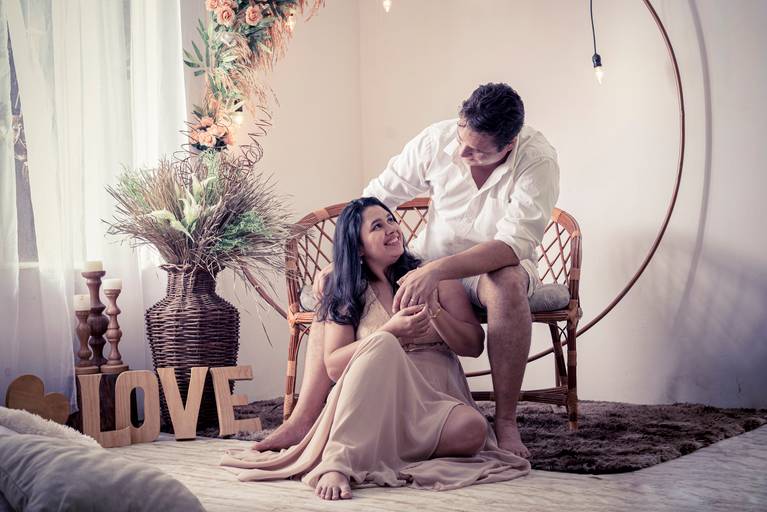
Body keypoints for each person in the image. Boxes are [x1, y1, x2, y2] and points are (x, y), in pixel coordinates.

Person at [253, 82, 559, 458]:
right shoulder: (435, 141)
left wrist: (437, 273)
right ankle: (302, 419)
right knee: (338, 285)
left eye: (477, 151)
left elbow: (514, 244)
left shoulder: (537, 159)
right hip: (431, 257)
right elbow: (376, 197)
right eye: (461, 139)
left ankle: (506, 422)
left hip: (494, 263)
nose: (462, 153)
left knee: (506, 283)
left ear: (508, 145)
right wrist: (344, 259)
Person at [221, 198, 530, 499]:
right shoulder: (348, 290)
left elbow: (473, 345)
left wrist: (435, 311)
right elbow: (334, 366)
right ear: (358, 247)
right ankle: (338, 461)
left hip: (436, 400)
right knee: (381, 342)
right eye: (377, 226)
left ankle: (376, 449)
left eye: (391, 220)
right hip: (380, 401)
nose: (392, 229)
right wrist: (391, 332)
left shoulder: (433, 276)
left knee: (473, 430)